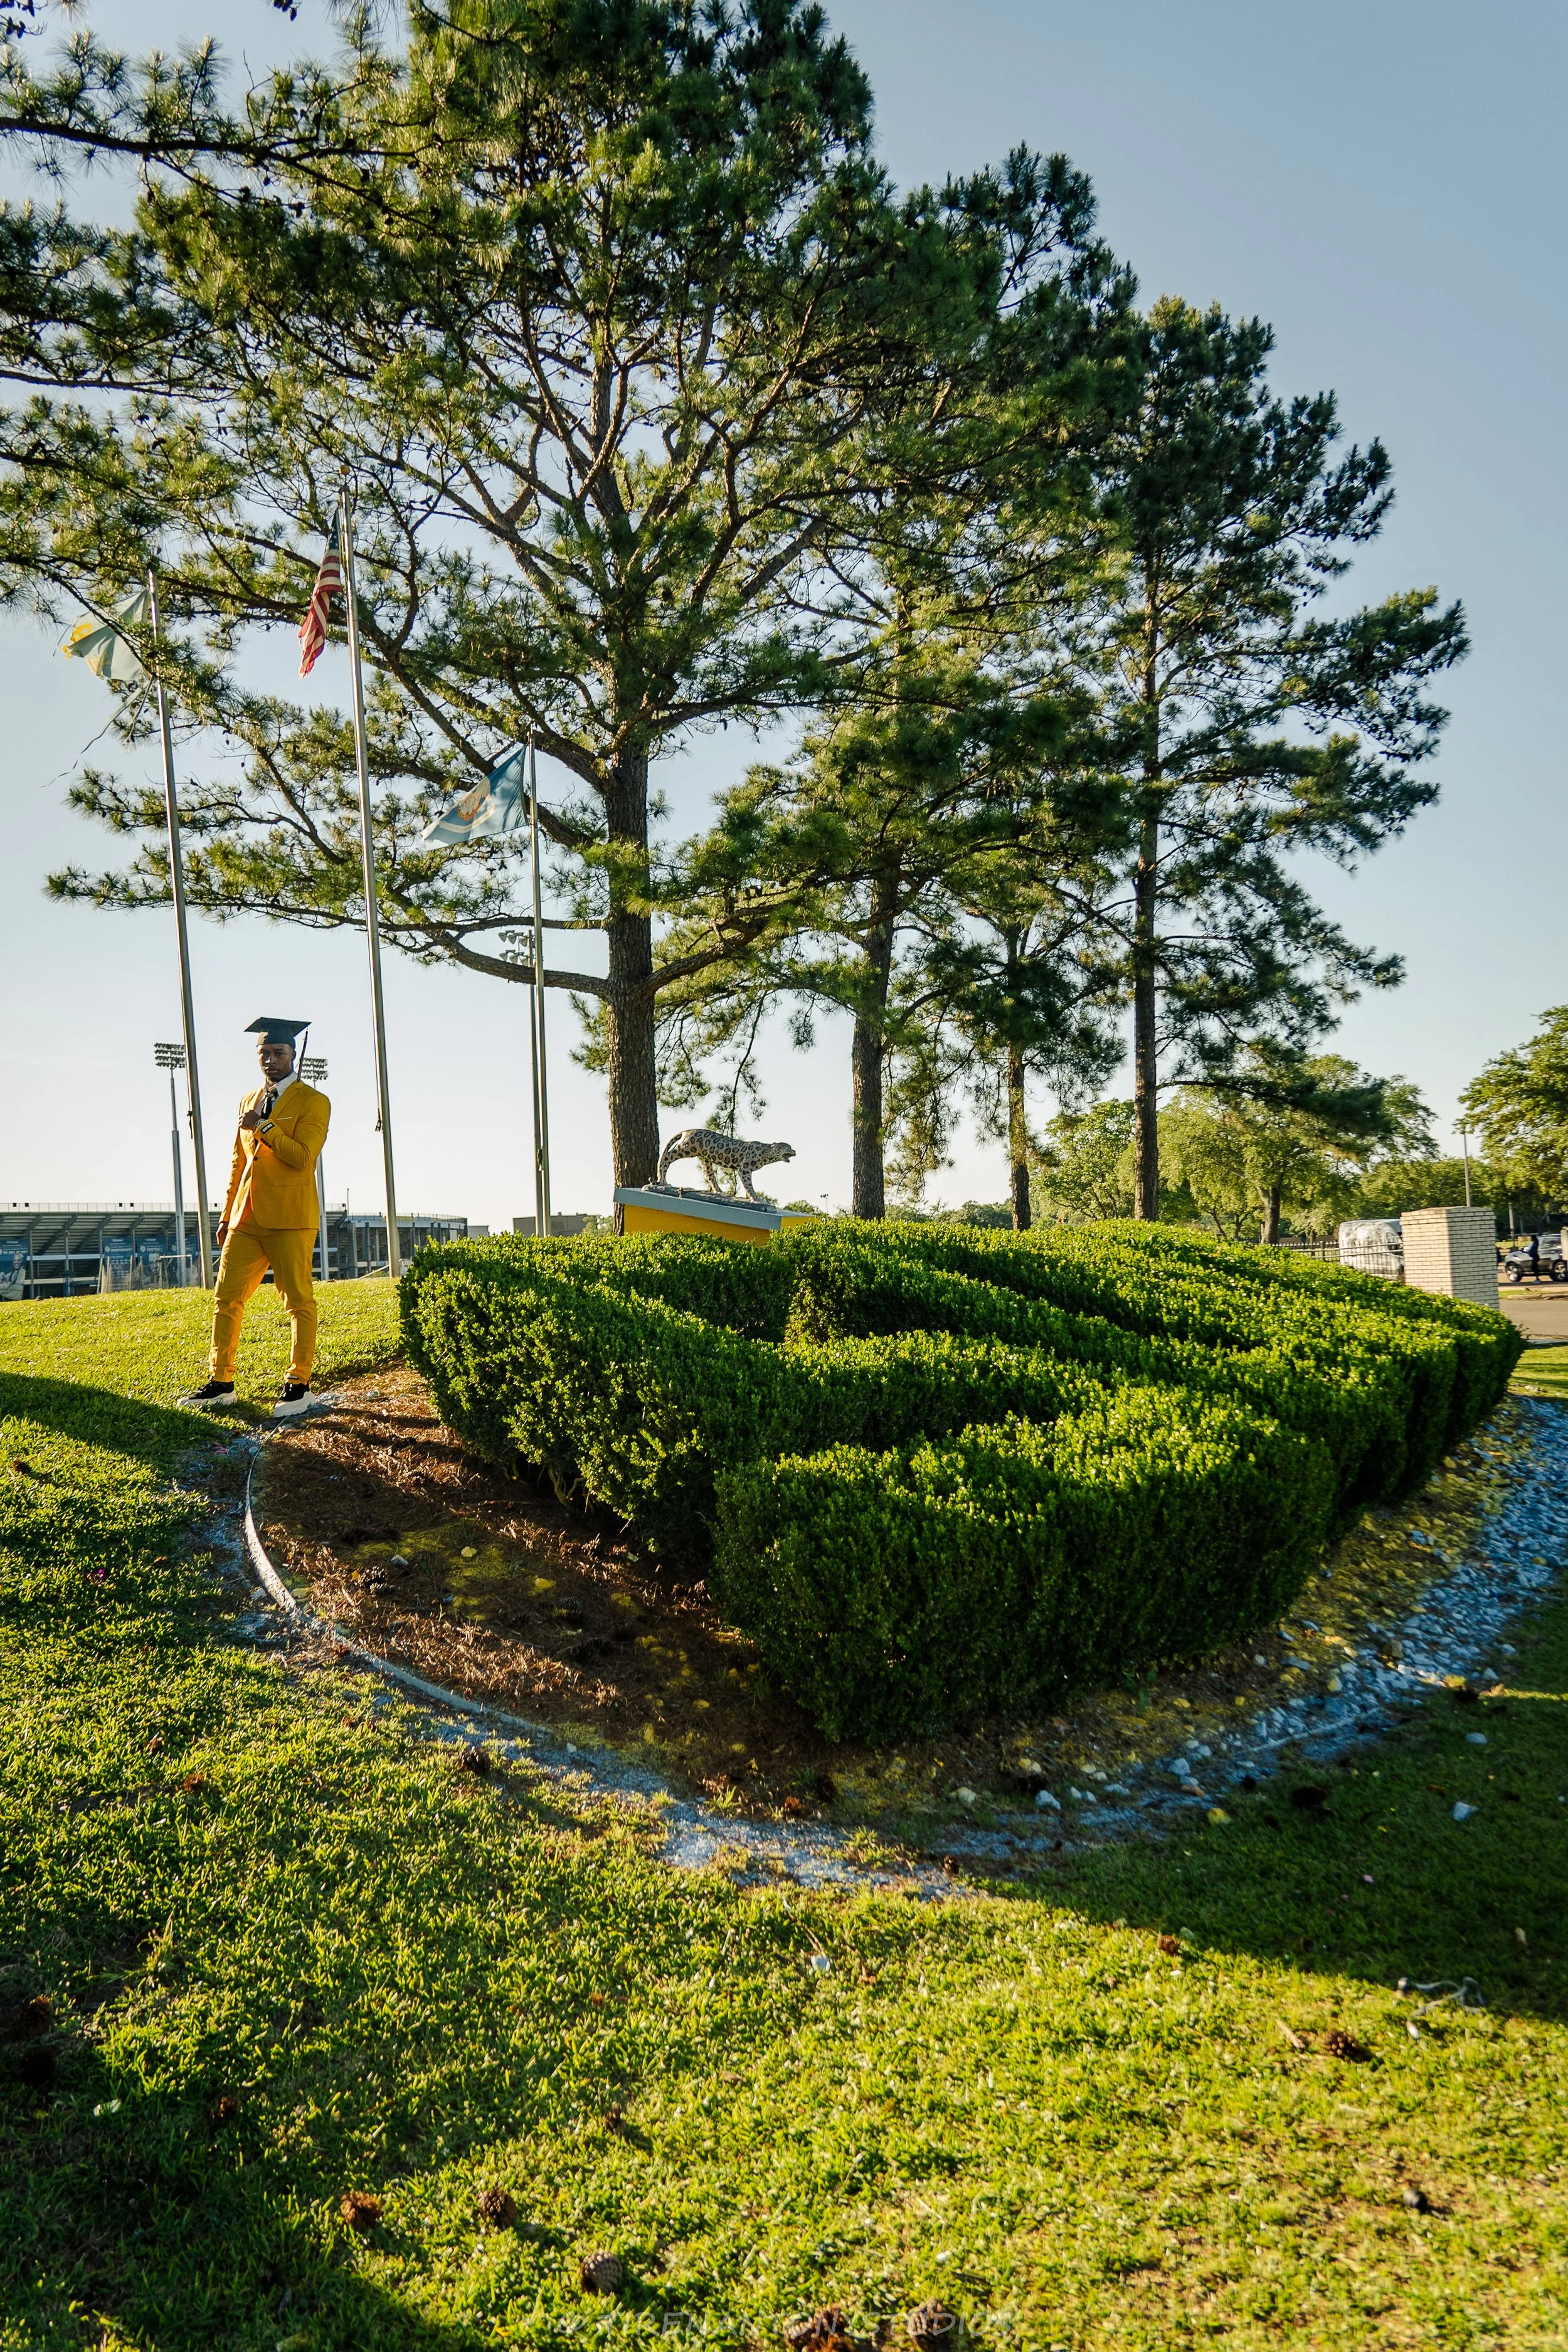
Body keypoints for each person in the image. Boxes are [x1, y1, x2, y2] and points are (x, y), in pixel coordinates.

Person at [180, 1017, 331, 1417]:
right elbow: (239, 1162)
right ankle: (221, 1383)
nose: (270, 1059)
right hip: (245, 1218)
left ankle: (299, 1385)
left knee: (298, 1301)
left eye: (278, 1053)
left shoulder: (314, 1101)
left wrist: (263, 1126)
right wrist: (226, 1213)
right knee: (226, 1298)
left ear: (293, 1055)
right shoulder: (248, 1100)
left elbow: (302, 1157)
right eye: (264, 1053)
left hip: (291, 1217)